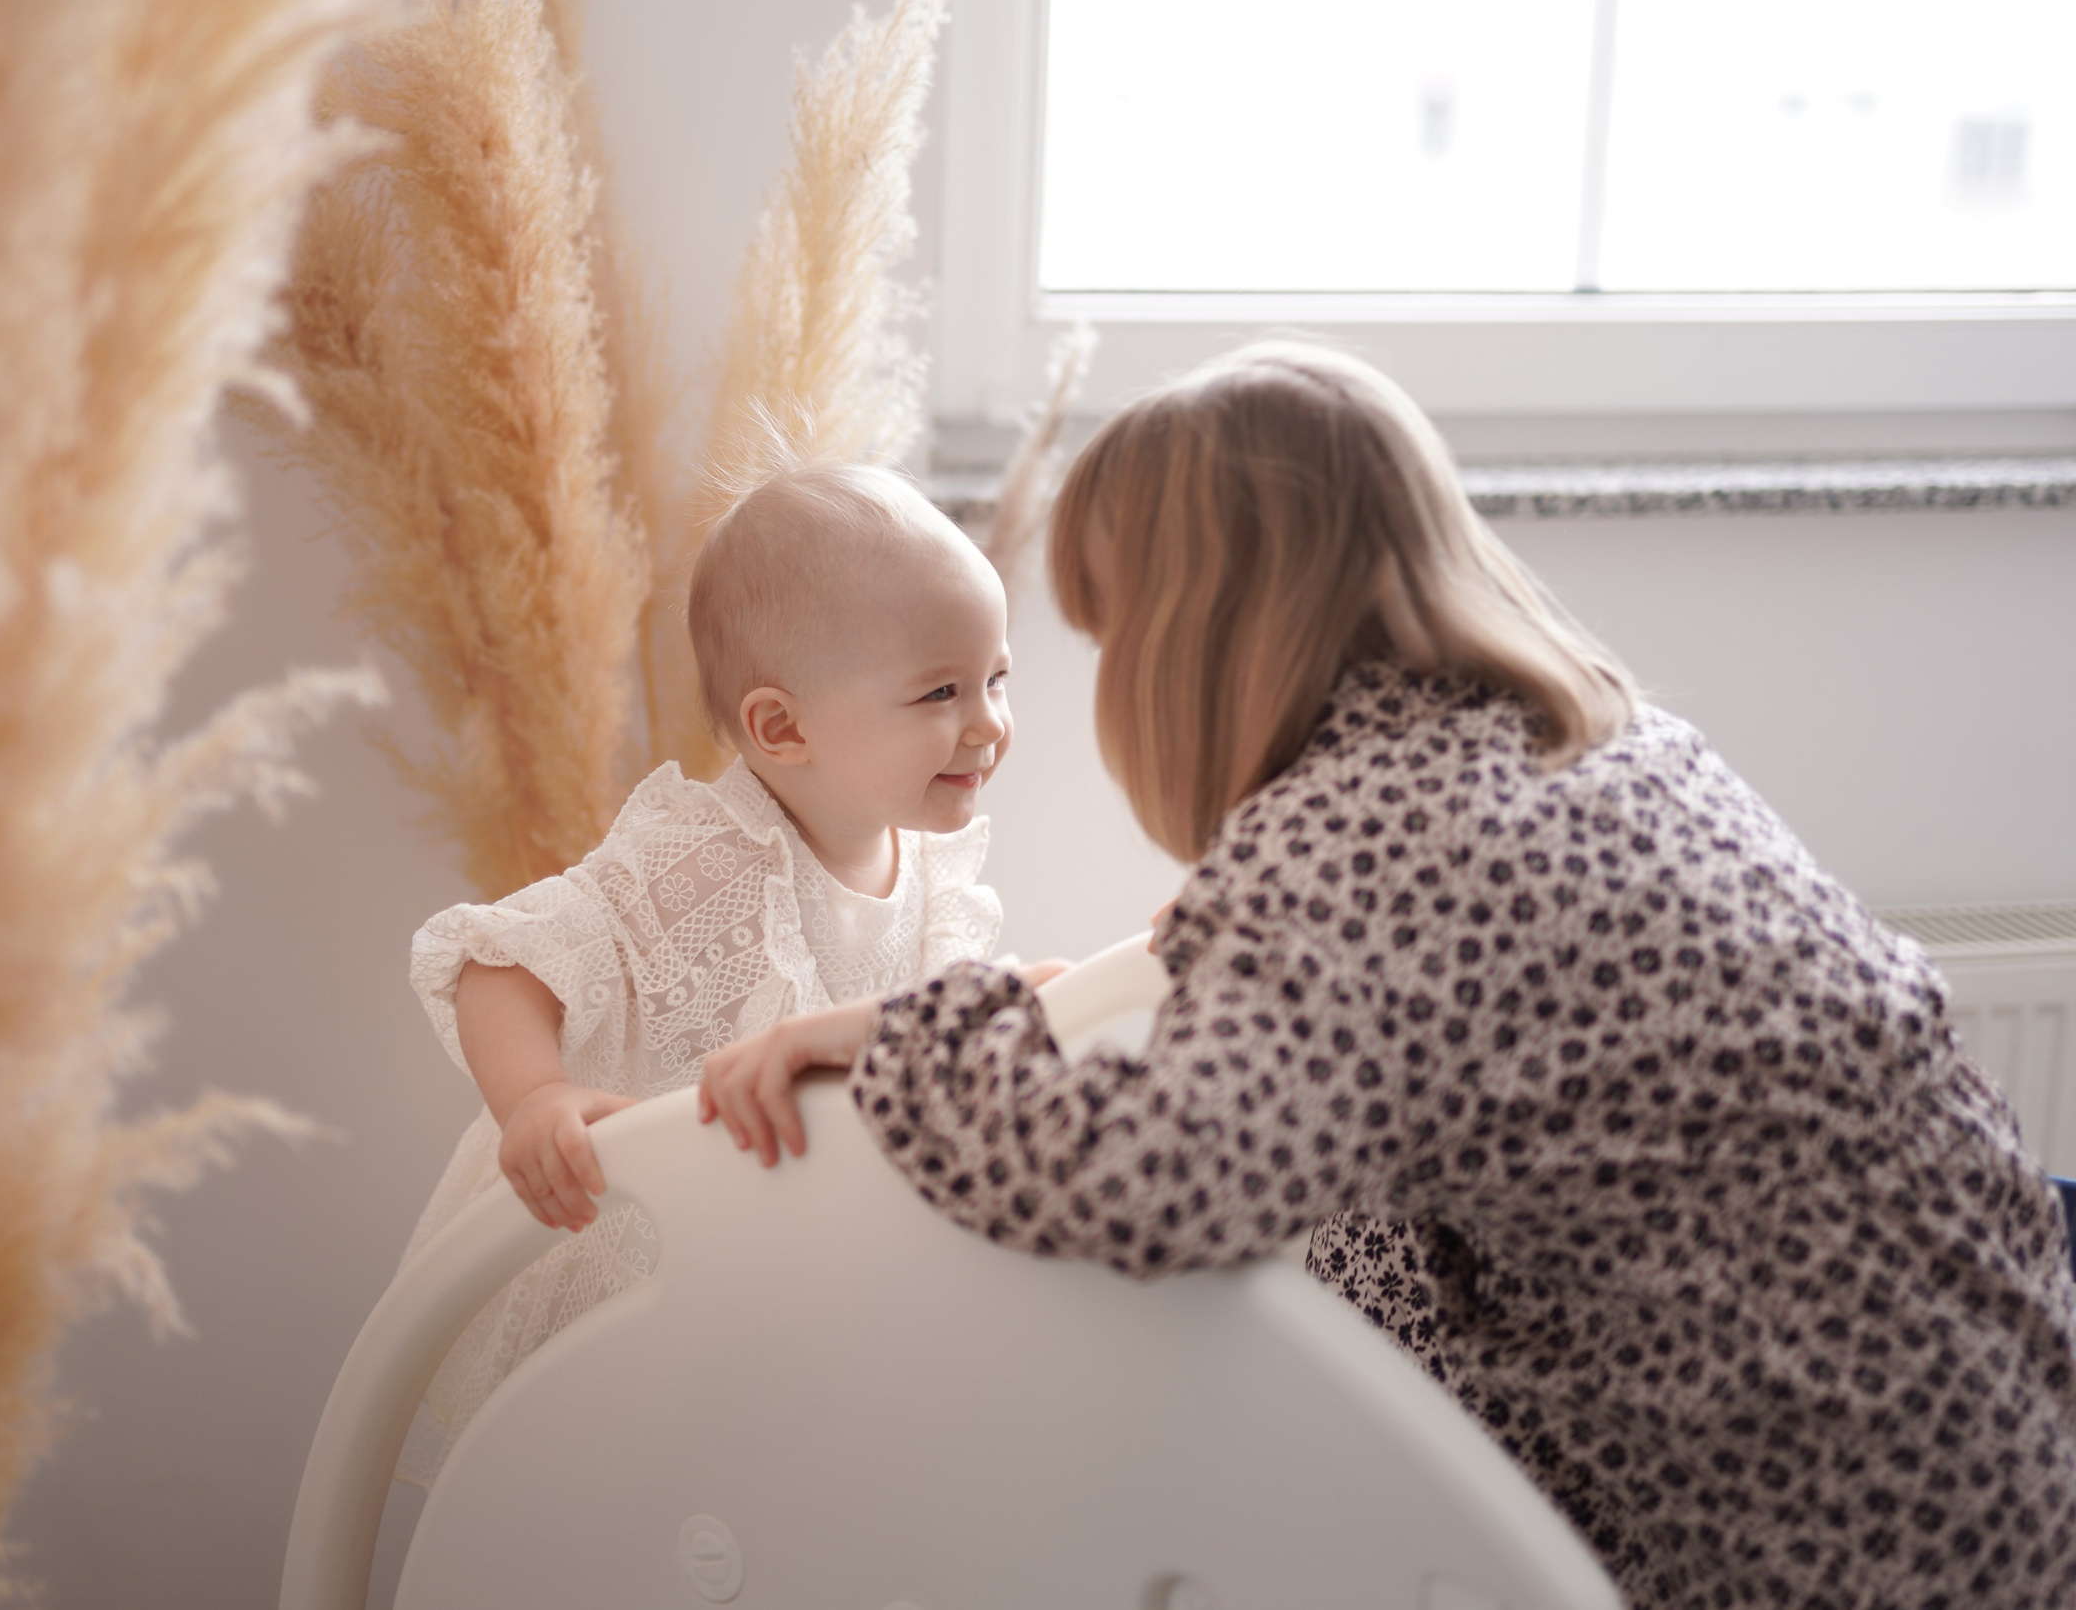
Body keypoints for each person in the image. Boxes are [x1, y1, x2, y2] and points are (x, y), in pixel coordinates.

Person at [699, 342, 2076, 1607]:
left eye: (1113, 639)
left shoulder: (1362, 847)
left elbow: (1151, 1180)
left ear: (1197, 639)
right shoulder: (1598, 743)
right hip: (2001, 1445)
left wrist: (918, 1039)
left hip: (1832, 1534)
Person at [396, 461, 1016, 1482]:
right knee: (606, 1492)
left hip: (779, 1270)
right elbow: (501, 959)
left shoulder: (937, 877)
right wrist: (537, 1097)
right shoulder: (702, 859)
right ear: (782, 728)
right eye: (940, 691)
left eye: (996, 677)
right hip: (624, 1249)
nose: (988, 722)